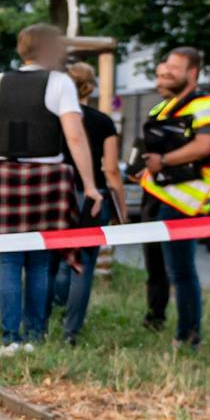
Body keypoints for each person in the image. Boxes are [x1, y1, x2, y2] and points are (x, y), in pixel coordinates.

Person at [0, 22, 98, 354]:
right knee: (40, 261)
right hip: (48, 177)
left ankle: (10, 338)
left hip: (3, 174)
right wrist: (90, 186)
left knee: (10, 260)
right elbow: (74, 136)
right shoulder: (60, 83)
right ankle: (34, 337)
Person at [136, 46, 210, 347]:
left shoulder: (205, 104)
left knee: (181, 270)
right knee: (156, 266)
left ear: (192, 73)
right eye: (165, 67)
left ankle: (189, 335)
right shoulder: (165, 108)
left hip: (183, 202)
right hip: (158, 195)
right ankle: (157, 317)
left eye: (174, 69)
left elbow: (204, 146)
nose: (167, 72)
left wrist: (163, 162)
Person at [58, 61, 123, 345]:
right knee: (82, 264)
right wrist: (120, 209)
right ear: (91, 87)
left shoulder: (54, 118)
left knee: (54, 260)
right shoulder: (103, 122)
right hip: (91, 196)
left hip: (57, 192)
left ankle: (45, 318)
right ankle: (70, 331)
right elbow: (111, 170)